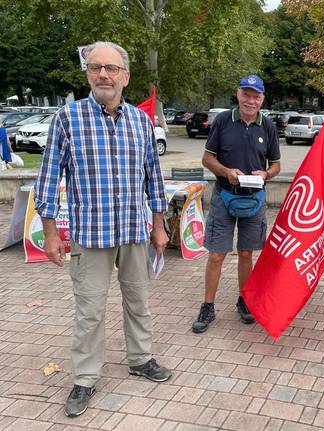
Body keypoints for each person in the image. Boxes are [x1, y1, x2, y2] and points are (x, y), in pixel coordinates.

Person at [35, 41, 172, 418]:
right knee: (90, 311)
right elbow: (48, 179)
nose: (103, 75)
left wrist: (159, 227)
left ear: (125, 77)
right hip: (90, 235)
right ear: (88, 74)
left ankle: (141, 359)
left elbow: (153, 180)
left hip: (133, 231)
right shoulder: (68, 118)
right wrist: (50, 234)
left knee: (138, 301)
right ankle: (85, 377)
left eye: (111, 68)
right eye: (96, 68)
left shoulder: (141, 122)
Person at [192, 74, 281, 333]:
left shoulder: (268, 126)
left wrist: (266, 174)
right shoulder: (223, 121)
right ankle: (208, 306)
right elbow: (207, 160)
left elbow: (276, 165)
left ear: (262, 99)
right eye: (246, 94)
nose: (250, 100)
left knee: (246, 253)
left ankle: (245, 300)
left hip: (254, 199)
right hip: (223, 195)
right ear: (238, 95)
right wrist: (226, 171)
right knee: (217, 254)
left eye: (256, 96)